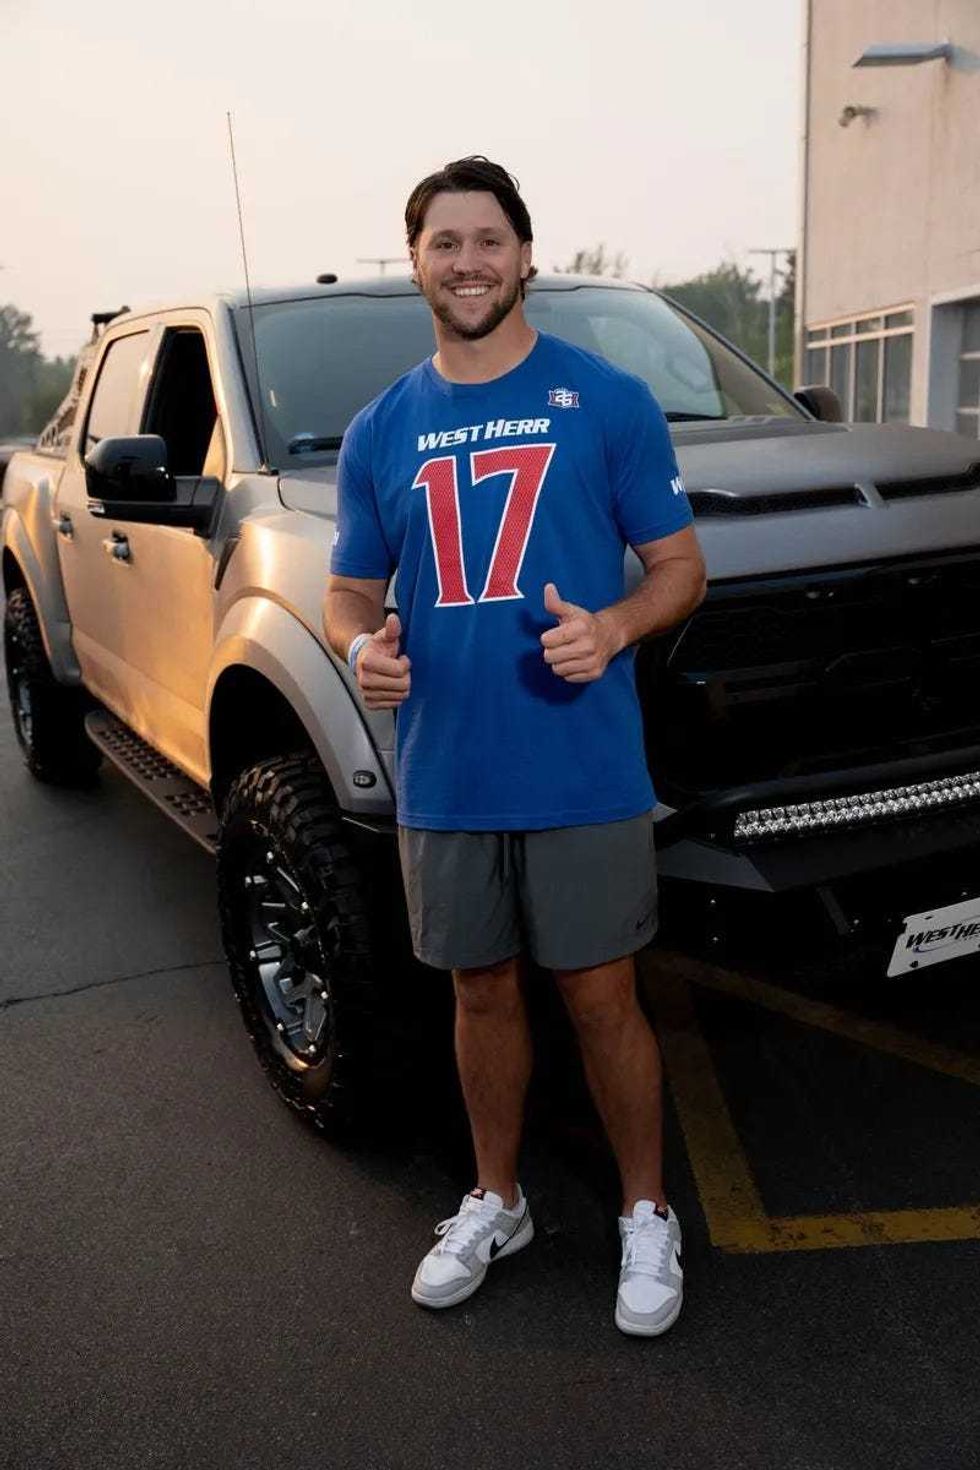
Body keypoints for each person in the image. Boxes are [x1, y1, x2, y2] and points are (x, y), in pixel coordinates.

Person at [323, 156, 706, 1336]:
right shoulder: (380, 428)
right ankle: (497, 1198)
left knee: (600, 996)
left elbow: (678, 568)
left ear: (525, 255)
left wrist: (615, 627)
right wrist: (359, 648)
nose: (468, 262)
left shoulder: (606, 401)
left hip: (582, 766)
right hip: (446, 771)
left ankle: (644, 1211)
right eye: (444, 243)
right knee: (480, 993)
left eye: (488, 239)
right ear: (414, 263)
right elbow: (348, 593)